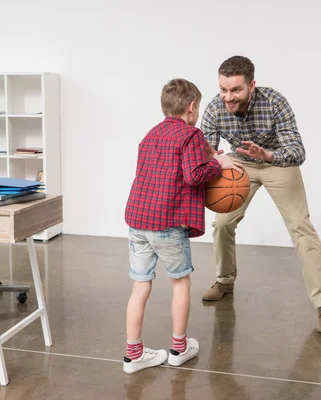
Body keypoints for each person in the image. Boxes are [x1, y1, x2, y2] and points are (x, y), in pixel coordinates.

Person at [200, 55, 321, 335]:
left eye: (236, 90)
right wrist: (216, 158)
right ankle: (225, 281)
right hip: (240, 166)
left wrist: (267, 154)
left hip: (277, 162)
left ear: (252, 85)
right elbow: (206, 151)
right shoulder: (216, 108)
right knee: (222, 223)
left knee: (301, 227)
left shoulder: (274, 102)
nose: (228, 97)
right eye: (223, 89)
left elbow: (298, 151)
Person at [122, 78, 242, 373]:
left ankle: (133, 355)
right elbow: (193, 175)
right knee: (180, 283)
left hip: (138, 221)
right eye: (198, 107)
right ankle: (179, 347)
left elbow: (166, 166)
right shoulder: (190, 135)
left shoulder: (150, 135)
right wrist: (219, 165)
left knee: (140, 287)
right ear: (192, 107)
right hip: (166, 223)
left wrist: (207, 153)